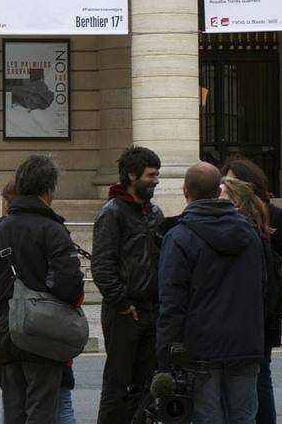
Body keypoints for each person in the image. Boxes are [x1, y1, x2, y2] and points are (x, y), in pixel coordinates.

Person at [0, 155, 84, 424]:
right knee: (42, 410)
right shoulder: (53, 230)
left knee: (15, 413)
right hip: (44, 332)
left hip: (8, 332)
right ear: (48, 189)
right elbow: (70, 285)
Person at [157, 162, 266, 424]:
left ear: (185, 190)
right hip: (245, 342)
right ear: (219, 190)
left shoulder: (180, 236)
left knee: (208, 419)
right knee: (244, 418)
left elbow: (172, 302)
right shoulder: (249, 233)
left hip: (200, 347)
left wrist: (164, 359)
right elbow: (263, 286)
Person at [92, 145, 164, 424]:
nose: (156, 180)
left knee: (147, 386)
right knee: (117, 384)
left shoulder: (154, 213)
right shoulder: (112, 213)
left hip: (151, 310)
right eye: (151, 175)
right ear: (132, 175)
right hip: (125, 312)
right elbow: (102, 265)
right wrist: (121, 303)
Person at [223, 156, 282, 424]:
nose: (227, 189)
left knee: (260, 376)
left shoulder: (274, 215)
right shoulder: (223, 216)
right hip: (232, 310)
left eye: (233, 184)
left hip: (262, 311)